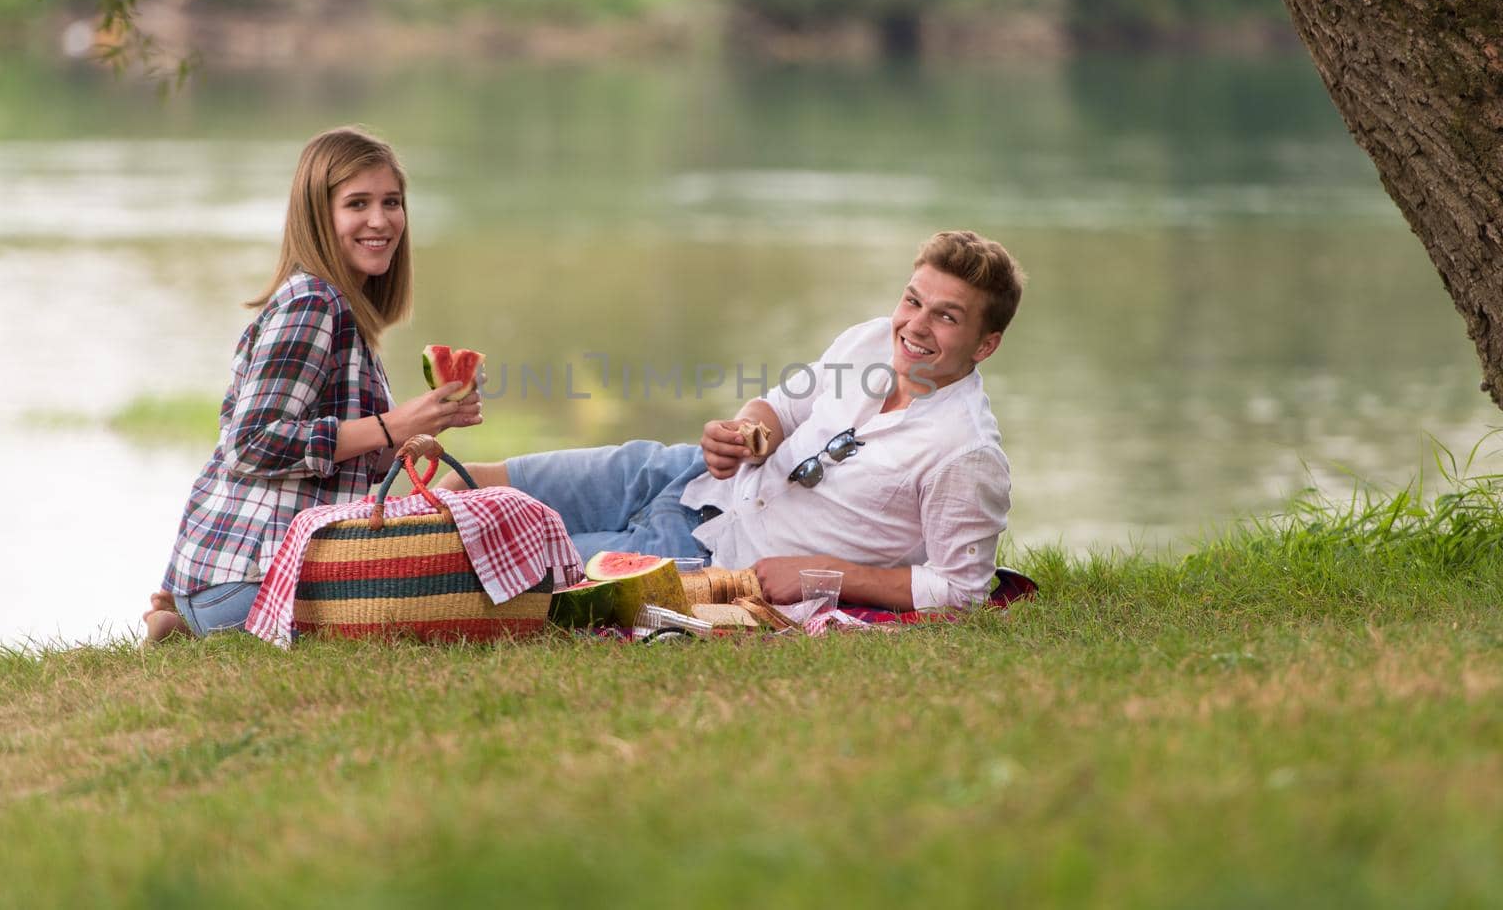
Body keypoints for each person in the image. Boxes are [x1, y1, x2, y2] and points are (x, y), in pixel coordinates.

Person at [446, 230, 1023, 612]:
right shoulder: (871, 338)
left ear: (986, 344)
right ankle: (362, 537)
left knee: (480, 570)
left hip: (707, 561)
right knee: (466, 482)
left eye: (945, 317)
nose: (915, 326)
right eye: (913, 300)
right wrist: (745, 432)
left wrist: (824, 575)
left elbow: (960, 590)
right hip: (679, 473)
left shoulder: (966, 454)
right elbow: (782, 407)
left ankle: (366, 583)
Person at [142, 127, 483, 641]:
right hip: (258, 580)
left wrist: (424, 424)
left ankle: (186, 619)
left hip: (239, 577)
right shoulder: (312, 304)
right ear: (318, 217)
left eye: (392, 202)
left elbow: (333, 462)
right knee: (462, 589)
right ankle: (202, 617)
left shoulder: (342, 310)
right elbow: (251, 444)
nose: (380, 220)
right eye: (357, 203)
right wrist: (394, 424)